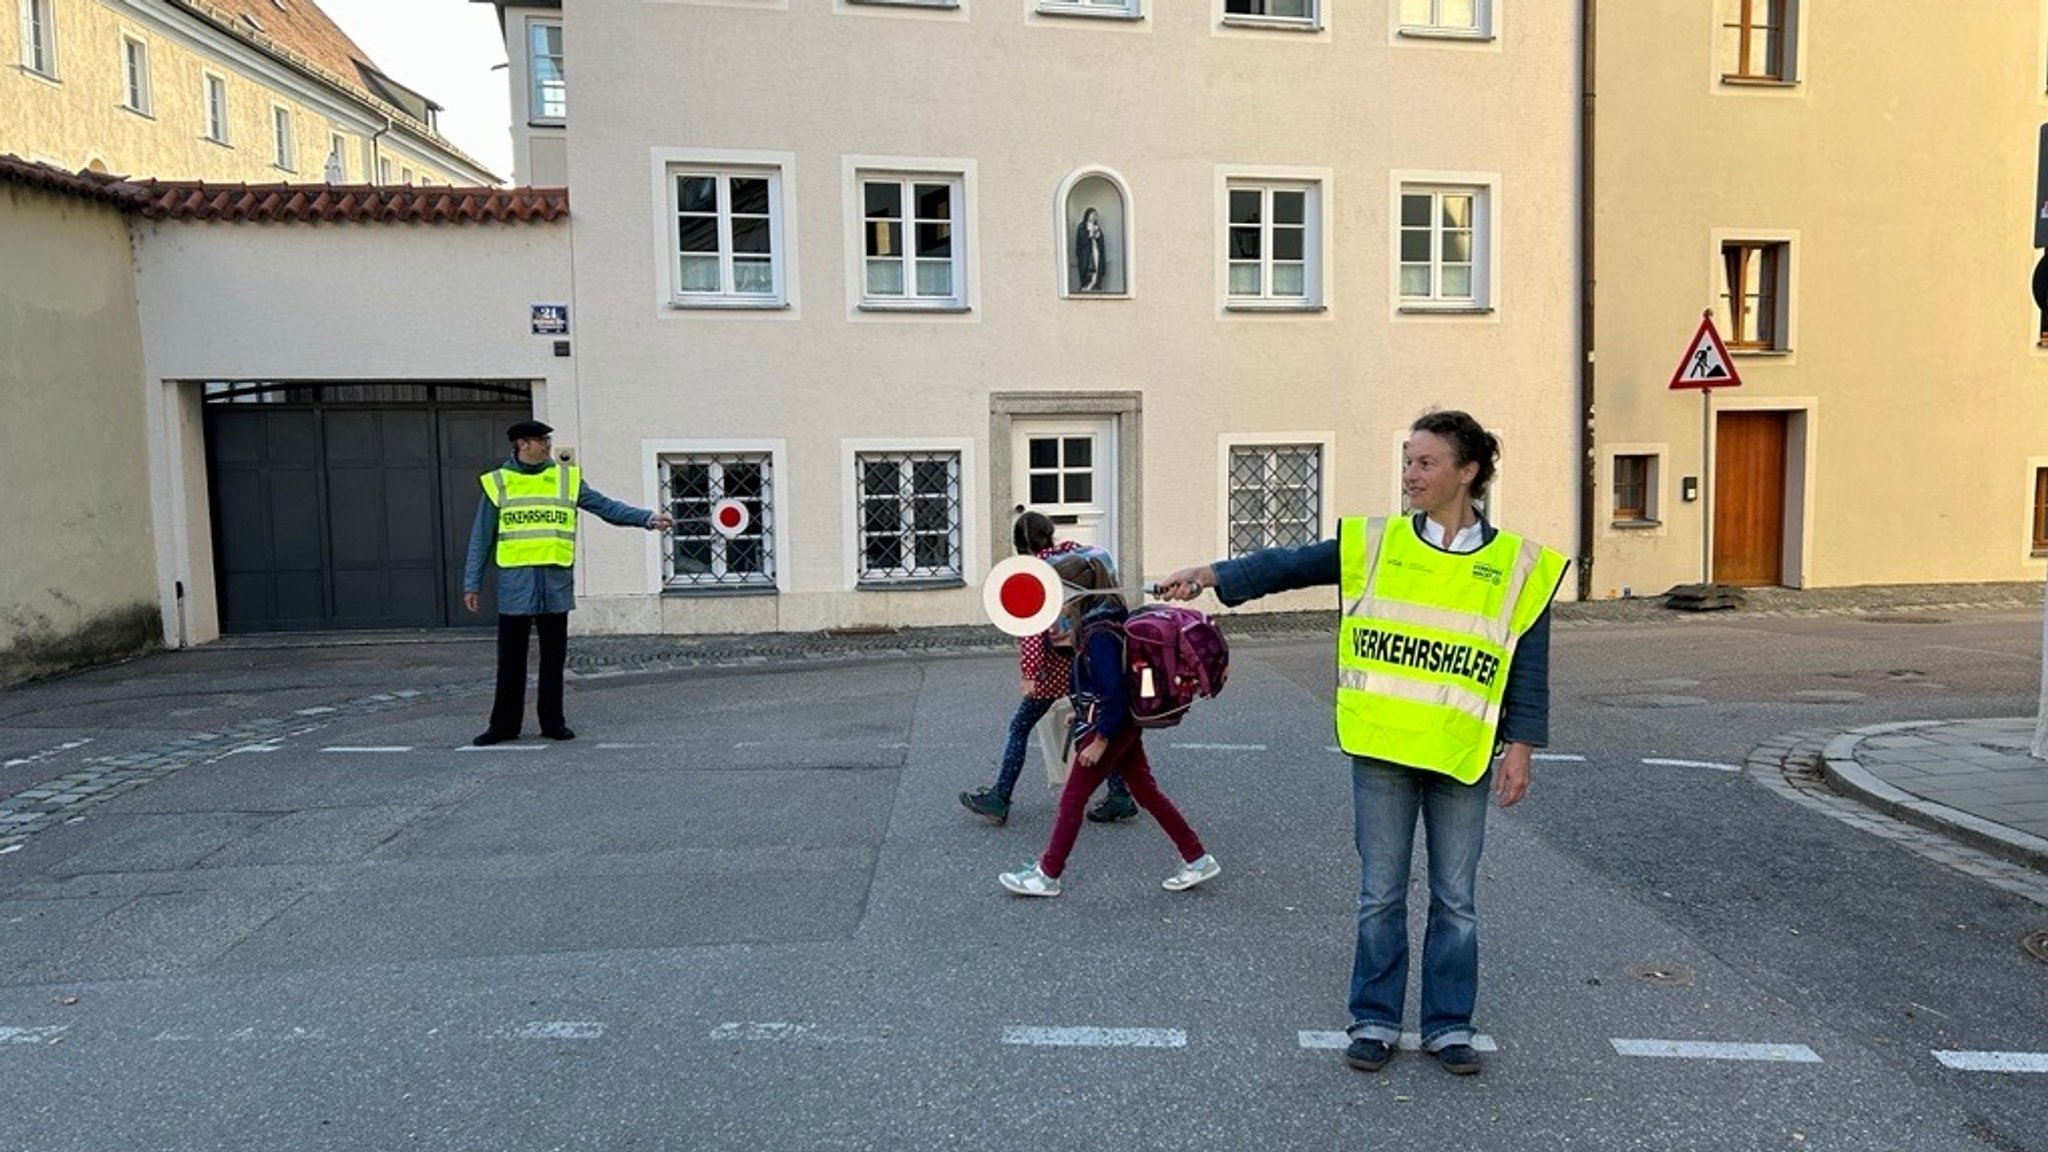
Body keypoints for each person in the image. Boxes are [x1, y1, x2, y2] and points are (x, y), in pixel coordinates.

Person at [1157, 410, 1567, 1077]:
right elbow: (1287, 565)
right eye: (1407, 460)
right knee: (1380, 893)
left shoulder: (1518, 564)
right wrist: (1208, 575)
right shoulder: (1375, 542)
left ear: (1467, 472)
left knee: (1456, 899)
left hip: (1460, 751)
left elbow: (1528, 662)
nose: (1411, 474)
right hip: (1382, 747)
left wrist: (1520, 746)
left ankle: (1447, 1025)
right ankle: (1374, 1019)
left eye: (1426, 462)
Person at [998, 559, 1220, 898]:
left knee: (1072, 799)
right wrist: (1082, 712)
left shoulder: (1098, 634)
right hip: (1120, 723)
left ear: (1074, 594)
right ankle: (1197, 858)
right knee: (1146, 792)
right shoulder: (1105, 623)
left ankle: (1048, 874)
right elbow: (1105, 687)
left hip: (1112, 727)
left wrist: (1100, 738)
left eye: (1058, 592)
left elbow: (1114, 692)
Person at [463, 419, 673, 746]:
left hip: (555, 585)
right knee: (510, 661)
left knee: (554, 659)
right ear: (521, 445)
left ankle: (552, 722)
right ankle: (503, 726)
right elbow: (481, 538)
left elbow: (605, 507)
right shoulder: (498, 483)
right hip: (515, 587)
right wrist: (470, 583)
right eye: (540, 440)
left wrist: (645, 518)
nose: (547, 445)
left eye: (547, 439)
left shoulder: (567, 478)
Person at [961, 511, 1135, 825]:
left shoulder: (1037, 574)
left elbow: (1032, 626)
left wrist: (1029, 673)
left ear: (1018, 546)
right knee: (1098, 722)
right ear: (1051, 534)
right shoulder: (1077, 555)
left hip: (1056, 668)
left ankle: (1000, 798)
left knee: (1020, 727)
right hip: (1090, 659)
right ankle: (1120, 794)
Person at [1075, 207, 1106, 293]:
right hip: (1086, 253)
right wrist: (1089, 234)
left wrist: (1098, 236)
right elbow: (1081, 240)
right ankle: (1086, 285)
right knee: (1086, 267)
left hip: (1095, 250)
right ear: (1087, 215)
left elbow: (1101, 241)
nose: (1093, 217)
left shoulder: (1097, 226)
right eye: (1092, 214)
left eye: (1095, 215)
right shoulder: (1082, 227)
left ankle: (1095, 284)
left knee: (1097, 266)